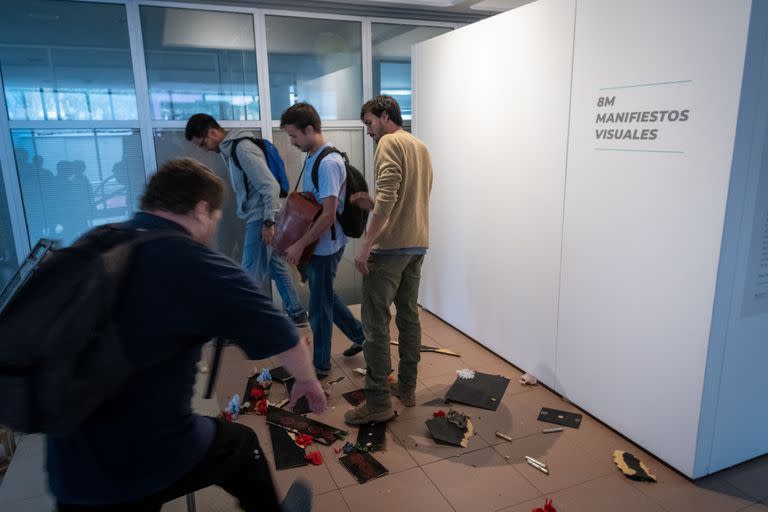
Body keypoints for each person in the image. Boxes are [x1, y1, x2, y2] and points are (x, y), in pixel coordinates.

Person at [48, 158, 325, 512]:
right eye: (215, 217)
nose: (212, 227)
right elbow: (282, 334)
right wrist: (307, 380)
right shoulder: (193, 262)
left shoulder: (96, 242)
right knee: (242, 447)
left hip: (68, 461)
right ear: (200, 210)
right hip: (146, 452)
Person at [344, 95, 434, 425]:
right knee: (408, 317)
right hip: (416, 246)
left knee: (375, 326)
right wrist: (373, 203)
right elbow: (410, 195)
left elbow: (390, 195)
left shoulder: (387, 143)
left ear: (384, 116)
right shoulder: (420, 147)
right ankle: (407, 388)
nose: (369, 131)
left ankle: (379, 401)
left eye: (369, 123)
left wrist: (367, 244)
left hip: (389, 250)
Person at [185, 114, 308, 326]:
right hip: (259, 216)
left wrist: (268, 222)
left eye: (203, 143)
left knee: (249, 271)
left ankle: (242, 324)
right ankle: (297, 313)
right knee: (275, 266)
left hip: (261, 218)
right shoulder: (230, 150)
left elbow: (270, 186)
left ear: (212, 132)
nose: (204, 149)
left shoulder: (242, 149)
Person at [278, 102, 367, 378]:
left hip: (324, 246)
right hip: (320, 243)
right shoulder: (313, 156)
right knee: (324, 297)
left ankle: (321, 366)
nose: (292, 142)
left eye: (293, 136)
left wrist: (300, 244)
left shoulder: (328, 163)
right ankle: (361, 335)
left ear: (308, 129)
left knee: (318, 308)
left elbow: (328, 215)